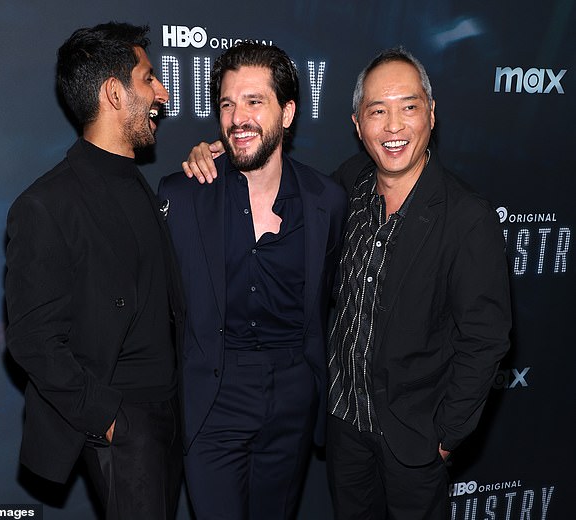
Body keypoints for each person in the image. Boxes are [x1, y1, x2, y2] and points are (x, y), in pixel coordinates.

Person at [182, 47, 511, 520]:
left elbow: (486, 338)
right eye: (378, 111)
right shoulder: (345, 187)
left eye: (408, 107)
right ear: (358, 124)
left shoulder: (467, 217)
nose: (393, 126)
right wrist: (213, 149)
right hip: (344, 430)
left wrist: (446, 437)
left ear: (432, 115)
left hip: (414, 443)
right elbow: (264, 169)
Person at [158, 42, 347, 519]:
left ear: (287, 112)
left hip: (293, 400)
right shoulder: (183, 195)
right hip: (214, 400)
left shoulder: (327, 199)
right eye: (227, 103)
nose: (237, 117)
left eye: (253, 102)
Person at [5, 22, 185, 519]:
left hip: (170, 412)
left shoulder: (140, 185)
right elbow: (31, 340)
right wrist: (109, 419)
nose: (163, 94)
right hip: (124, 422)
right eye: (149, 79)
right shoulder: (47, 204)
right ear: (113, 92)